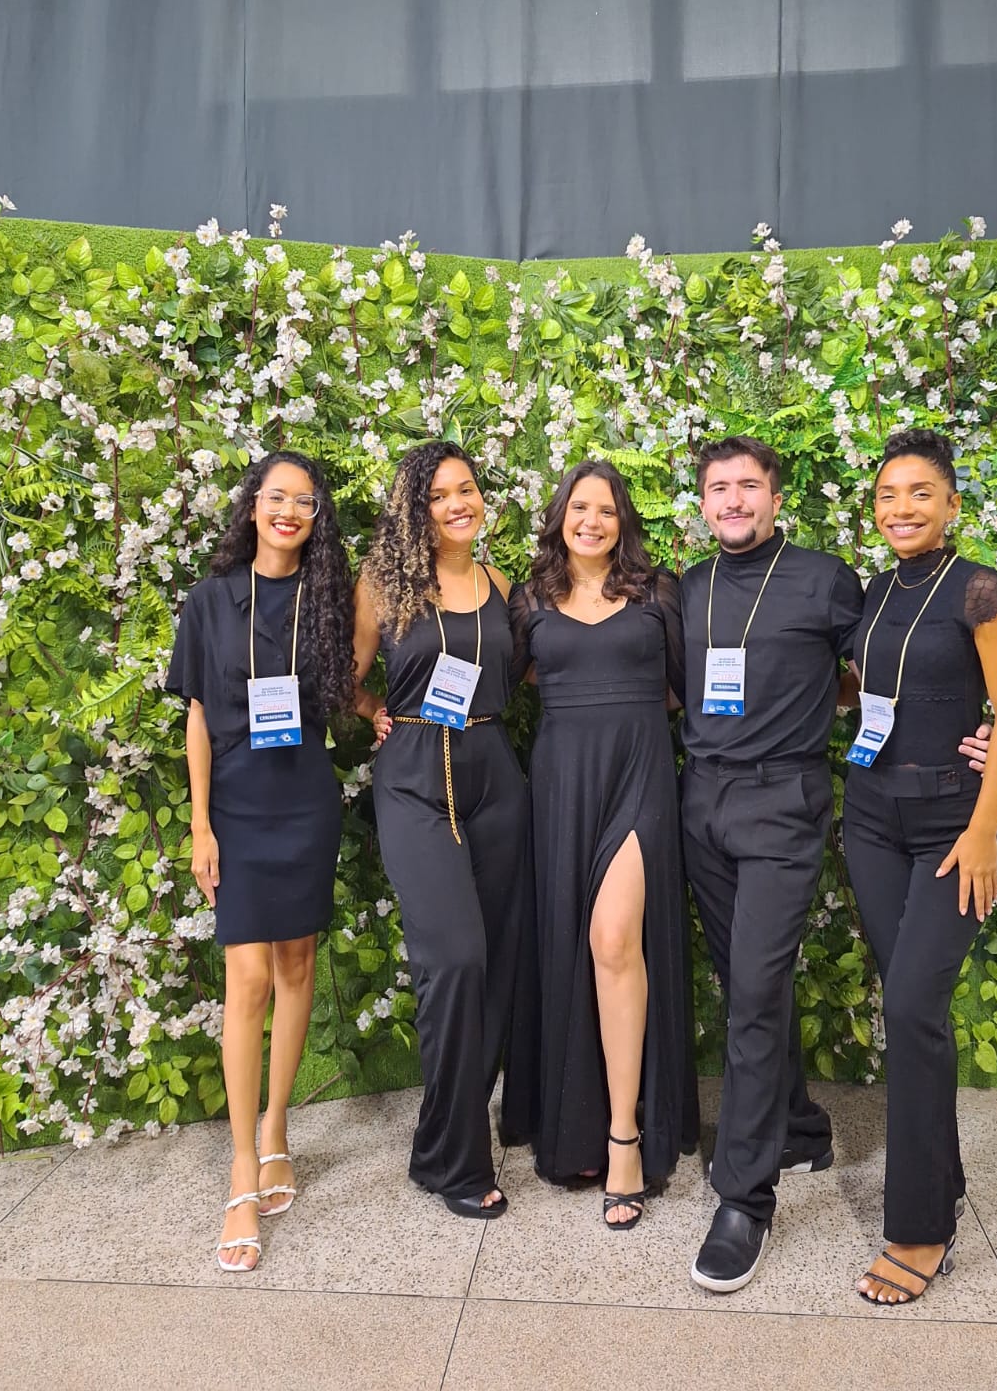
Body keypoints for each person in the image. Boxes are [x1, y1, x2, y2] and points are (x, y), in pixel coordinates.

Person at [843, 428, 997, 1305]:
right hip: (870, 818)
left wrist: (985, 827)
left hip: (952, 823)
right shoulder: (877, 591)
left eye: (920, 493)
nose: (902, 508)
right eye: (887, 494)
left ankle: (920, 1230)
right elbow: (866, 691)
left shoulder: (981, 590)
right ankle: (942, 1181)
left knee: (914, 1006)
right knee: (912, 1011)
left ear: (952, 504)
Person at [678, 436, 864, 1293]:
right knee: (746, 981)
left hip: (783, 802)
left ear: (776, 499)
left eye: (749, 486)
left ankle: (744, 1200)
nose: (733, 500)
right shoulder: (688, 587)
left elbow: (880, 670)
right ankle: (798, 1129)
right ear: (703, 503)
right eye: (719, 488)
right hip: (702, 799)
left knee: (754, 991)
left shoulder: (825, 580)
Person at [166, 450, 353, 1273]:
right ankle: (243, 1166)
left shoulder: (329, 599)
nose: (288, 511)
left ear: (316, 518)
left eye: (304, 502)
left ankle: (278, 1125)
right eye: (276, 497)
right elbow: (198, 718)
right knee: (246, 977)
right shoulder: (209, 600)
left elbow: (350, 689)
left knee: (296, 963)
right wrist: (200, 826)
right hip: (237, 807)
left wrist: (380, 710)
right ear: (252, 506)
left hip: (306, 797)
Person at [510, 460, 698, 1227]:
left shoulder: (658, 593)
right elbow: (508, 682)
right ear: (560, 516)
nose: (591, 521)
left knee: (614, 940)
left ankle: (625, 1134)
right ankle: (579, 1123)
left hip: (638, 776)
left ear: (624, 522)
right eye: (579, 508)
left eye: (607, 510)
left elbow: (686, 688)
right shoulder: (529, 599)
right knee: (573, 950)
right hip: (561, 784)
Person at [357, 441, 529, 1219]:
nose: (458, 504)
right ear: (413, 510)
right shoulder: (384, 585)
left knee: (496, 966)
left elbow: (527, 671)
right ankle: (455, 1160)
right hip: (416, 776)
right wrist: (373, 710)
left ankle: (443, 1143)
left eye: (467, 489)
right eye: (437, 495)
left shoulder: (500, 584)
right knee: (453, 960)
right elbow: (342, 676)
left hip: (495, 773)